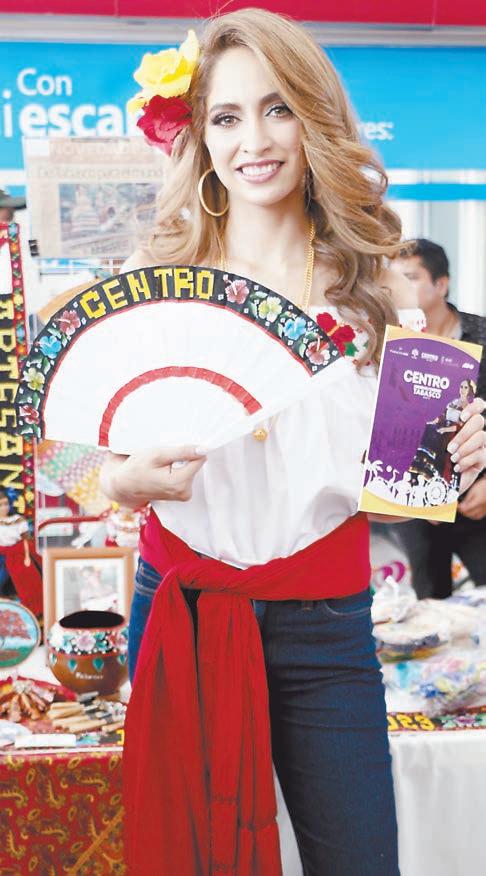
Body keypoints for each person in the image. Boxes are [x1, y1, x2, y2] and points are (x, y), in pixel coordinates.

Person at [100, 12, 486, 875]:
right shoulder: (153, 283)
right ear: (200, 136)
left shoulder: (380, 292)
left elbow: (424, 494)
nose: (255, 141)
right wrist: (121, 482)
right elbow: (91, 459)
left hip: (327, 624)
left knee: (360, 860)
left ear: (314, 119)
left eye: (278, 109)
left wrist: (467, 466)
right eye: (227, 116)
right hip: (184, 608)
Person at [392, 239, 486, 597]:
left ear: (441, 284)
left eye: (410, 277)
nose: (399, 287)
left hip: (478, 499)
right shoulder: (393, 343)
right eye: (394, 278)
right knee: (429, 599)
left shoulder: (482, 335)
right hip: (416, 503)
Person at [0, 487, 43, 617]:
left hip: (18, 554)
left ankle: (33, 608)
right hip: (3, 555)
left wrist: (26, 557)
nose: (4, 507)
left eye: (6, 504)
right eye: (1, 505)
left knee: (28, 581)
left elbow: (25, 539)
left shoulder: (18, 520)